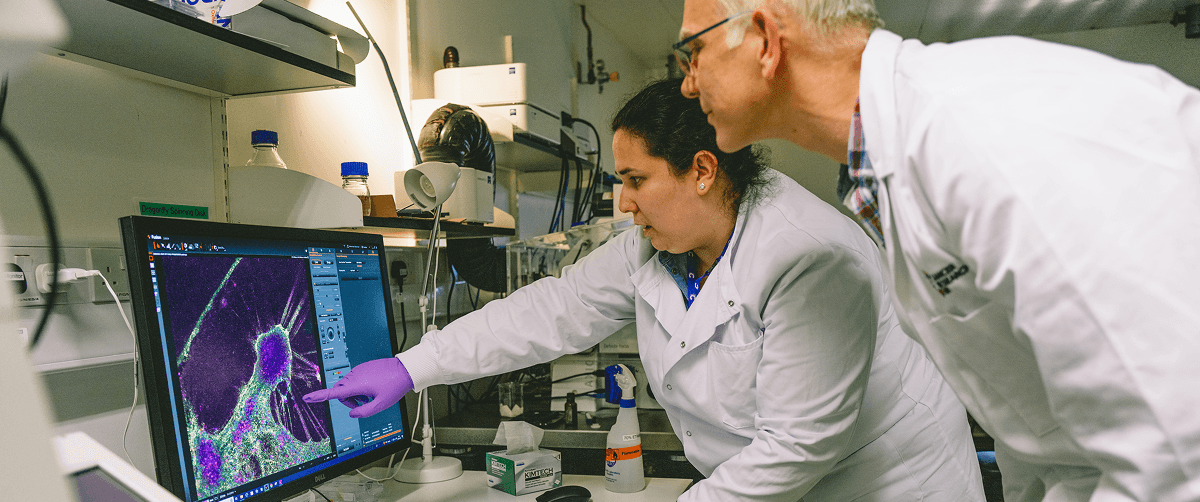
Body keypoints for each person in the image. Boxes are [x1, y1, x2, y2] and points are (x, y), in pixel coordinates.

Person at [305, 79, 985, 501]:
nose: (622, 203)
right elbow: (554, 310)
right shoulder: (652, 247)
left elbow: (797, 447)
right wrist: (412, 365)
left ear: (701, 170)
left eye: (635, 179)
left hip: (885, 482)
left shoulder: (807, 255)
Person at [672, 0, 1200, 501]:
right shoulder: (889, 169)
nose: (687, 82)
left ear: (764, 41)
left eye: (693, 52)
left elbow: (1174, 440)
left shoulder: (978, 128)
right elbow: (1033, 425)